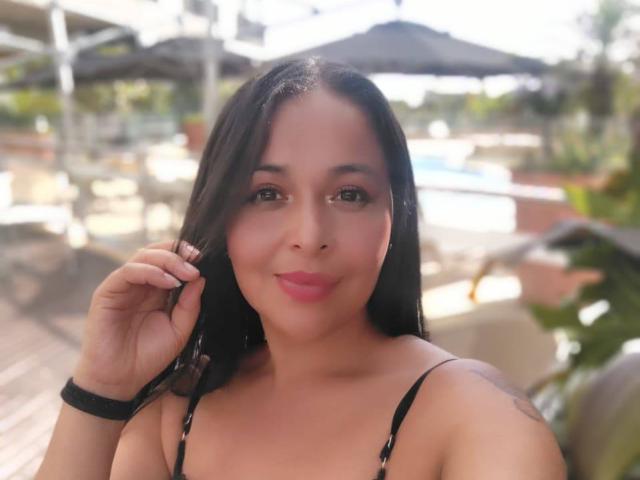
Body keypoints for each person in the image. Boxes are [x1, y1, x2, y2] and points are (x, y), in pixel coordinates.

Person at [36, 58, 566, 480]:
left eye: (350, 194)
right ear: (221, 217)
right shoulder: (178, 412)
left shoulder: (474, 417)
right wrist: (101, 386)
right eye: (267, 193)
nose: (310, 237)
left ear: (394, 220)